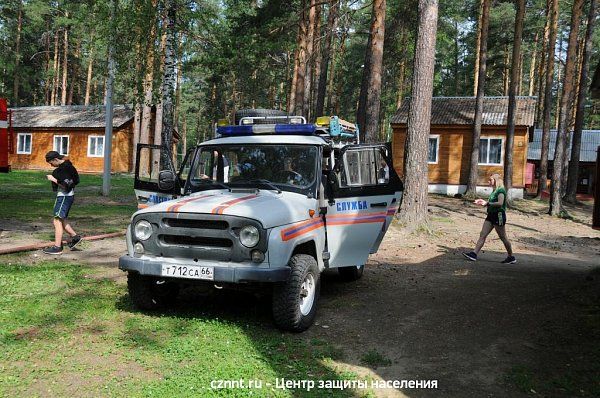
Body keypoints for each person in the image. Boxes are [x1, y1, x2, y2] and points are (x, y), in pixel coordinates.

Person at [463, 173, 516, 264]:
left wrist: (487, 203)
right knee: (482, 234)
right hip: (490, 215)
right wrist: (481, 202)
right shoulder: (494, 190)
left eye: (490, 180)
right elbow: (491, 202)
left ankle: (511, 257)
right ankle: (474, 254)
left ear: (496, 180)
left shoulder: (501, 191)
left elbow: (500, 203)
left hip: (498, 215)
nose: (488, 181)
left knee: (503, 237)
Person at [43, 151, 82, 255]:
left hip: (64, 197)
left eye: (51, 162)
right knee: (62, 219)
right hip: (68, 196)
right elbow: (76, 181)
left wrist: (53, 179)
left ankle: (57, 247)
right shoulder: (70, 166)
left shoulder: (63, 169)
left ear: (55, 159)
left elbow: (66, 186)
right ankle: (75, 237)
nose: (51, 165)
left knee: (57, 221)